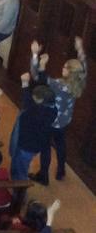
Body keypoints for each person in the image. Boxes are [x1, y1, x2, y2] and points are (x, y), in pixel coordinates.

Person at [30, 37, 87, 182]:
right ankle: (61, 170)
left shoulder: (58, 85)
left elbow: (37, 76)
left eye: (65, 67)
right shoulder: (79, 82)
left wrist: (36, 55)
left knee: (45, 146)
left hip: (51, 121)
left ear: (69, 72)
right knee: (61, 143)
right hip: (64, 121)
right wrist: (80, 49)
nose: (62, 68)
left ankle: (43, 176)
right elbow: (84, 68)